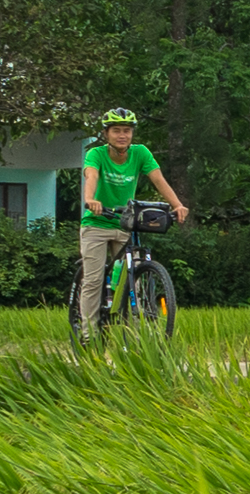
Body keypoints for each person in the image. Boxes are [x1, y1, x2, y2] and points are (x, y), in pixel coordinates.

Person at [79, 107, 189, 333]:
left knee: (133, 279)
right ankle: (88, 332)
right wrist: (90, 199)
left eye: (127, 131)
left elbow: (158, 180)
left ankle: (135, 333)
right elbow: (92, 175)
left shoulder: (140, 153)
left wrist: (177, 205)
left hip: (124, 223)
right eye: (116, 130)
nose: (122, 135)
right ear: (106, 133)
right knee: (93, 280)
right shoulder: (96, 154)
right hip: (97, 223)